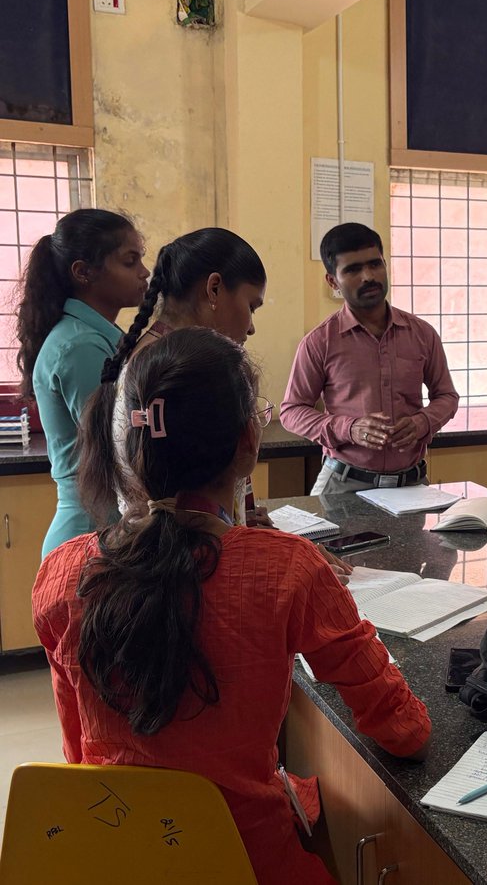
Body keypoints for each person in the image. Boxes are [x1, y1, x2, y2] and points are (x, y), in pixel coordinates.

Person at [34, 328, 431, 885]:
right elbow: (400, 728)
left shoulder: (62, 573)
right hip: (248, 860)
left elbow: (78, 752)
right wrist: (421, 726)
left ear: (130, 444)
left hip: (113, 850)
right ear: (249, 440)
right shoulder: (288, 568)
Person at [77, 227, 268, 527]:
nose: (251, 327)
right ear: (214, 289)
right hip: (185, 557)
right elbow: (176, 510)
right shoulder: (163, 374)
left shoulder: (176, 361)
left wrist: (252, 525)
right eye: (251, 306)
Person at [281, 223, 459, 495]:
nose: (368, 276)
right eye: (352, 270)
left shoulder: (422, 334)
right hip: (343, 484)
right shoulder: (320, 341)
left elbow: (447, 396)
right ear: (332, 281)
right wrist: (348, 429)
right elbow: (292, 411)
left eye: (375, 264)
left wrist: (422, 422)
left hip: (412, 486)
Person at [14, 208, 149, 556]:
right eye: (130, 262)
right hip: (90, 535)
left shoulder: (101, 336)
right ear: (83, 272)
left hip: (106, 526)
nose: (144, 273)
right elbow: (117, 442)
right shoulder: (81, 345)